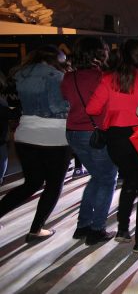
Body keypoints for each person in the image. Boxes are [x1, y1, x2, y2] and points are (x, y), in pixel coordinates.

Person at [86, 39, 138, 252]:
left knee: (129, 182)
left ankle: (123, 231)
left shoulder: (108, 78)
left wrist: (115, 111)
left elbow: (92, 108)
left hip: (116, 138)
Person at [0, 46, 70, 243]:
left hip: (25, 134)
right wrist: (72, 105)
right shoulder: (56, 76)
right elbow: (57, 107)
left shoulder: (19, 75)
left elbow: (11, 102)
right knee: (54, 185)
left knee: (31, 183)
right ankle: (36, 229)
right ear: (57, 59)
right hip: (54, 136)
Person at [61, 37, 118, 246]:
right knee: (108, 179)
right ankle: (96, 229)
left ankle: (83, 225)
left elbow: (66, 101)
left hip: (73, 132)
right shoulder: (104, 76)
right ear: (100, 53)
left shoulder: (69, 78)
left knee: (97, 177)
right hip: (96, 133)